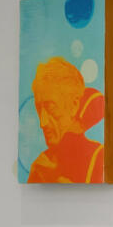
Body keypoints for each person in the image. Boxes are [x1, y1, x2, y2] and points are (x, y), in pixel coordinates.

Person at [24, 55, 107, 183]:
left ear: (74, 106)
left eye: (51, 108)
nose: (43, 123)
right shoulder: (40, 167)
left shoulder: (99, 158)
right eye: (39, 109)